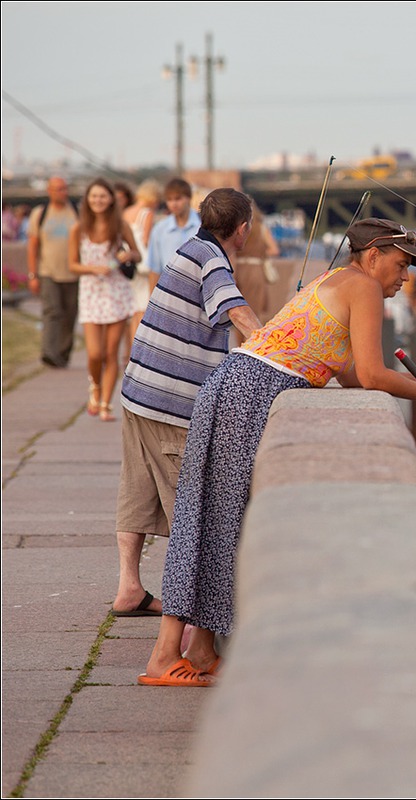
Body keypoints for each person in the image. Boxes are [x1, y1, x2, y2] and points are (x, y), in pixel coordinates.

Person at [138, 217, 416, 687]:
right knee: (212, 519)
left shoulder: (338, 280)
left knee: (222, 519)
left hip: (236, 384)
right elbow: (371, 375)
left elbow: (349, 372)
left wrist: (415, 388)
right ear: (373, 256)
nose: (406, 275)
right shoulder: (364, 288)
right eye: (402, 262)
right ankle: (165, 656)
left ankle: (203, 650)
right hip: (250, 390)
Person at [112, 187, 262, 620]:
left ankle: (129, 587)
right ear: (242, 228)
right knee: (188, 502)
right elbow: (235, 310)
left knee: (137, 488)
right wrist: (275, 349)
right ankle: (189, 610)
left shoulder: (189, 248)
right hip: (169, 399)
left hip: (139, 388)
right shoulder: (213, 259)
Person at [68, 177, 140, 422]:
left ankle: (105, 404)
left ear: (111, 199)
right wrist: (92, 269)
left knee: (112, 352)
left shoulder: (120, 225)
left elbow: (138, 254)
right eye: (93, 196)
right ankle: (95, 386)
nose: (98, 200)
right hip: (91, 292)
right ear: (88, 200)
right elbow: (72, 265)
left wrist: (128, 254)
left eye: (103, 196)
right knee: (94, 353)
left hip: (117, 292)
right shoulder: (79, 228)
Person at [26, 176, 80, 368]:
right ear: (49, 191)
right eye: (58, 189)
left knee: (70, 314)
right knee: (52, 312)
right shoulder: (40, 214)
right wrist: (33, 275)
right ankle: (49, 352)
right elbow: (33, 246)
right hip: (48, 271)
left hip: (73, 273)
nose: (62, 192)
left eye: (64, 188)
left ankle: (63, 354)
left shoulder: (75, 212)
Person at [230, 198, 280, 347]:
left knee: (237, 312)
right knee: (254, 313)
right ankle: (252, 348)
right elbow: (275, 250)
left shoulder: (236, 228)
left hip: (239, 270)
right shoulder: (261, 227)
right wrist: (260, 252)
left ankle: (240, 347)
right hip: (255, 270)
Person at [122, 179, 162, 360]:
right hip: (144, 264)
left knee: (134, 310)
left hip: (130, 263)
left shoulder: (126, 212)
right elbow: (146, 240)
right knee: (143, 308)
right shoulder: (147, 213)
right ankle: (140, 350)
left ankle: (131, 348)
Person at [147, 177, 201, 292]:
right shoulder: (160, 230)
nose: (174, 204)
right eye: (169, 200)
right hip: (169, 291)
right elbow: (154, 269)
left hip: (199, 291)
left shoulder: (202, 226)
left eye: (178, 199)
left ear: (189, 198)